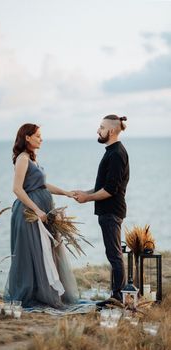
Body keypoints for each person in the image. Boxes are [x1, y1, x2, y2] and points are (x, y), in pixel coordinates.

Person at [4, 123, 78, 308]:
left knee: (45, 252)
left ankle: (45, 291)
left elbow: (43, 186)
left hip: (42, 215)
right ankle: (34, 294)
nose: (41, 139)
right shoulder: (22, 158)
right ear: (27, 137)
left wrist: (66, 193)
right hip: (29, 214)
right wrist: (37, 210)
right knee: (33, 253)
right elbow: (17, 189)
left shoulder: (32, 159)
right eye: (37, 136)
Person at [74, 115, 129, 306]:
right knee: (113, 254)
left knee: (114, 256)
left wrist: (87, 198)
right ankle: (117, 296)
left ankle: (118, 298)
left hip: (111, 212)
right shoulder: (111, 152)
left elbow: (110, 190)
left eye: (101, 127)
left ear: (111, 131)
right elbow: (103, 186)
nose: (98, 130)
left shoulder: (116, 154)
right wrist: (85, 193)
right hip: (108, 212)